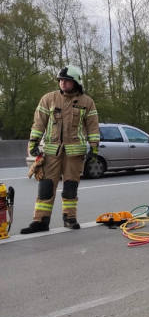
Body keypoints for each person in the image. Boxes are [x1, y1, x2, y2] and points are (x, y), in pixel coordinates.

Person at [20, 65, 100, 234]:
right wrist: (33, 143)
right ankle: (40, 221)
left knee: (71, 187)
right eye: (61, 80)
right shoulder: (49, 99)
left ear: (76, 82)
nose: (63, 83)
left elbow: (93, 127)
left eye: (67, 80)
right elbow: (38, 123)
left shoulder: (87, 102)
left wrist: (94, 149)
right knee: (46, 187)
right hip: (51, 151)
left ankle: (70, 219)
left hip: (75, 153)